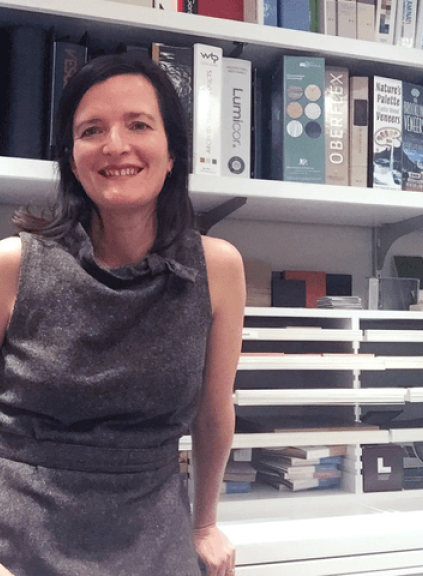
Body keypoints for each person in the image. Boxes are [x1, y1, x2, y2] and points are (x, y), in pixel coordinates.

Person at [0, 53, 245, 576]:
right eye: (92, 130)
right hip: (18, 542)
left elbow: (212, 412)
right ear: (71, 157)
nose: (115, 146)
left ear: (173, 151)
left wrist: (205, 525)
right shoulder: (12, 265)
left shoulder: (218, 268)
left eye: (138, 124)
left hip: (157, 538)